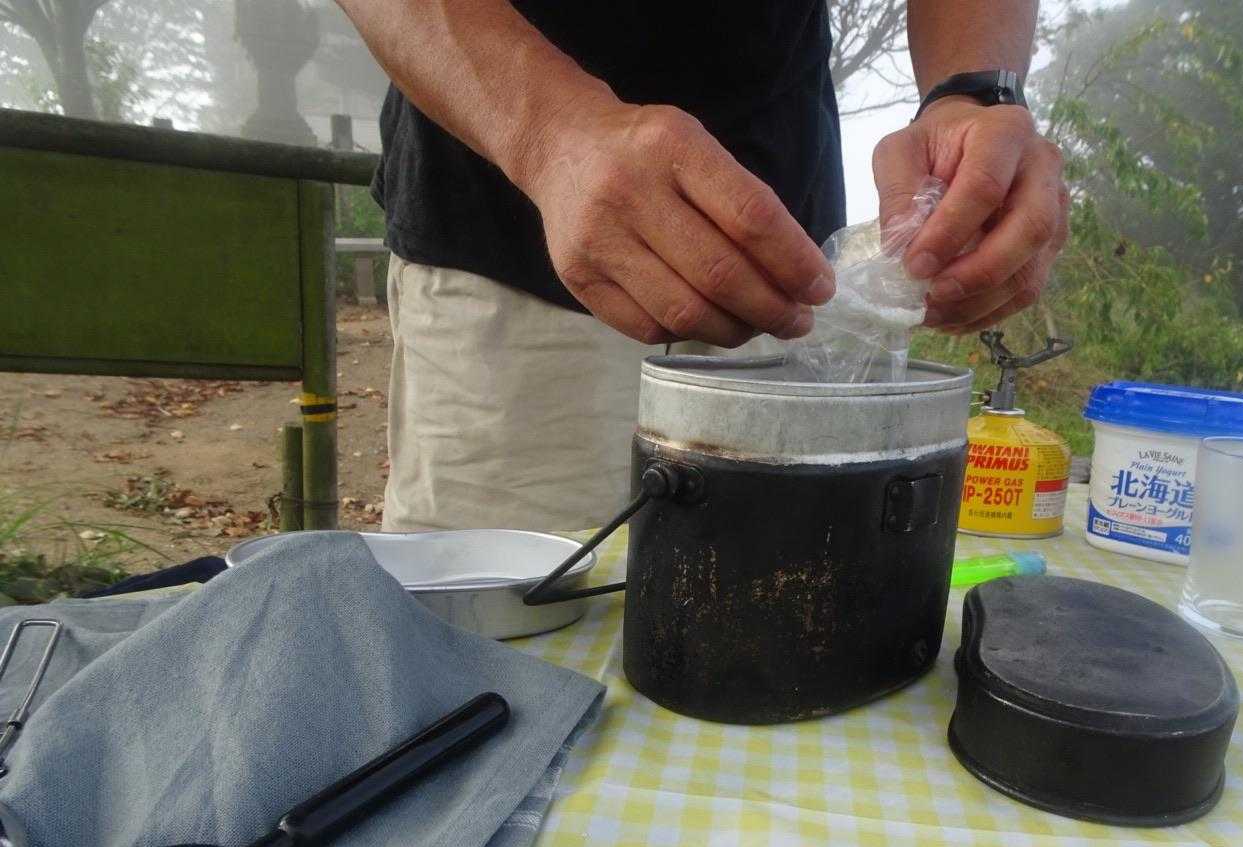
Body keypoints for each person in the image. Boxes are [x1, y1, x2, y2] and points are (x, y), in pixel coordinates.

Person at [337, 0, 1068, 532]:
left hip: (789, 279)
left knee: (785, 622)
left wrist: (974, 91)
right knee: (503, 651)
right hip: (508, 240)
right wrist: (548, 134)